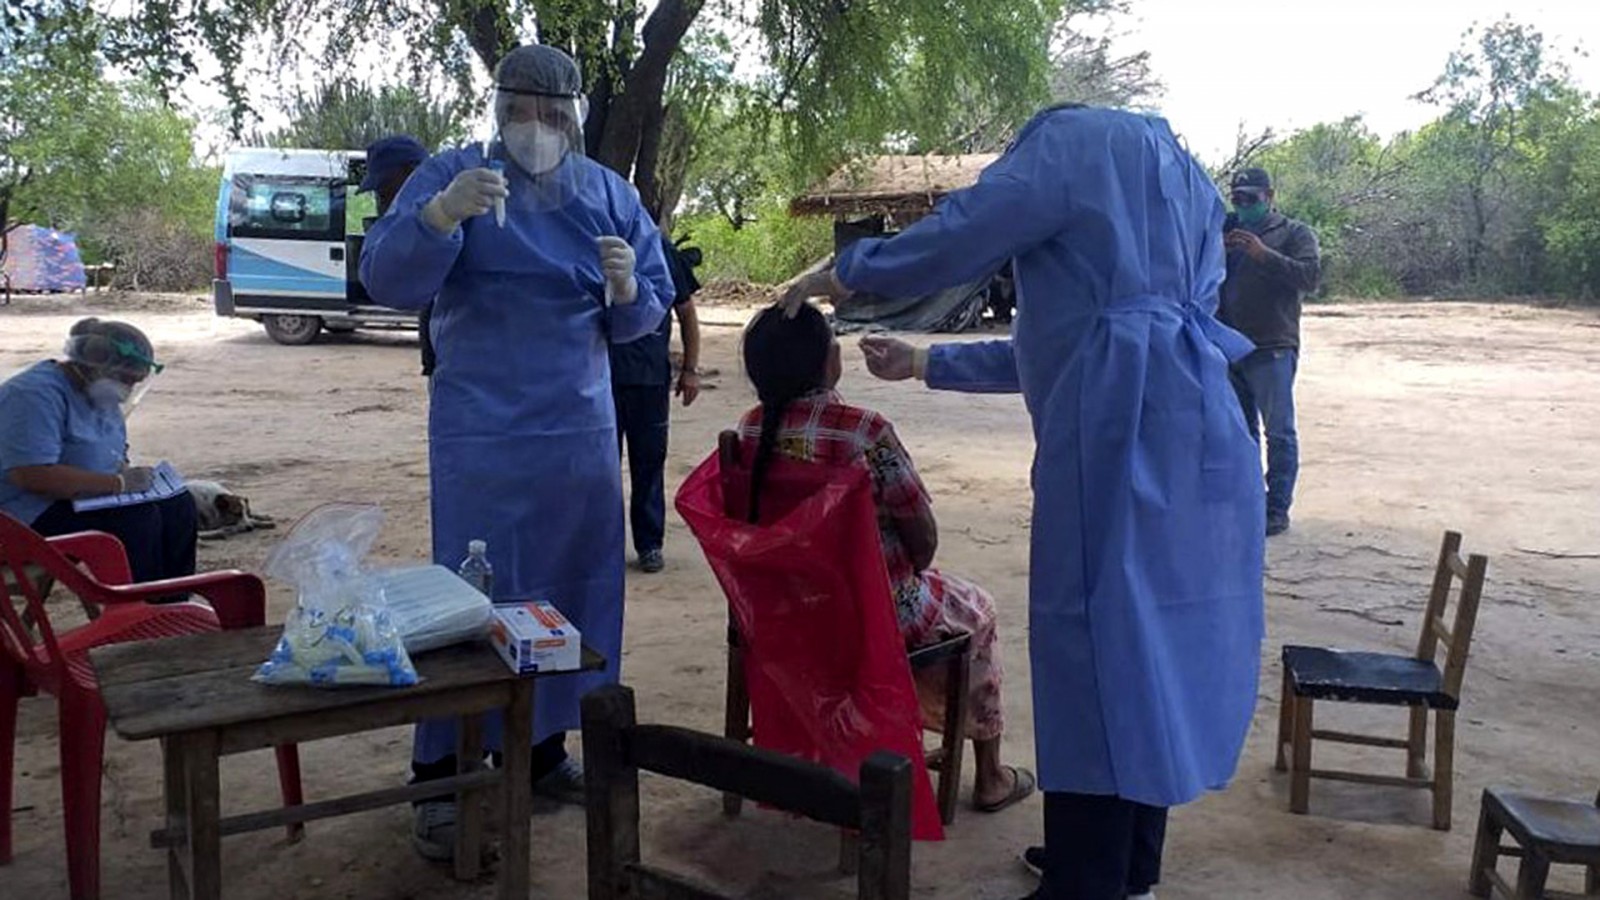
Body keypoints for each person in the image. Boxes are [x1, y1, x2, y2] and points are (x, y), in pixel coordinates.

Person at [783, 105, 1265, 900]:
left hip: (1117, 444)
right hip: (1203, 435)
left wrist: (852, 270)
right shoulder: (1183, 173)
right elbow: (1070, 340)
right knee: (1158, 657)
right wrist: (926, 364)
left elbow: (960, 235)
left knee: (1097, 656)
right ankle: (1124, 866)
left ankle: (1088, 876)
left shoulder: (1071, 146)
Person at [358, 44, 673, 862]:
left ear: (574, 115)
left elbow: (645, 317)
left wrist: (632, 290)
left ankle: (539, 754)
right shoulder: (453, 176)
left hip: (578, 439)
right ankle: (440, 781)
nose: (536, 125)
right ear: (497, 108)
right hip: (484, 439)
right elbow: (388, 280)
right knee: (470, 605)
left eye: (552, 110)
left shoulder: (609, 194)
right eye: (520, 107)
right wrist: (435, 220)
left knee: (574, 596)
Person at [739, 303, 1037, 813]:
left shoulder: (749, 431)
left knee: (926, 606)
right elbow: (922, 540)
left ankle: (869, 732)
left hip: (787, 613)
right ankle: (988, 776)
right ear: (828, 361)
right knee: (976, 610)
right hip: (874, 614)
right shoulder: (865, 430)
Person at [0, 318, 195, 584]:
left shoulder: (97, 394)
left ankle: (173, 601)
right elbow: (32, 475)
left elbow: (112, 450)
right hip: (21, 516)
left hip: (79, 500)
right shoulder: (33, 395)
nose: (127, 391)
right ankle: (140, 608)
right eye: (126, 380)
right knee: (136, 520)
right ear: (97, 366)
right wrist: (117, 484)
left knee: (178, 506)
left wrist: (128, 475)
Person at [1217, 167, 1321, 536]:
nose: (1243, 205)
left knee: (1279, 431)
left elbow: (1310, 277)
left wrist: (1262, 254)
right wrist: (1217, 250)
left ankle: (1277, 509)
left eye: (1251, 198)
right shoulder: (1223, 229)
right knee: (1240, 431)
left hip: (1273, 345)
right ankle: (1248, 501)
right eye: (1237, 197)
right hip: (1230, 347)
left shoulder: (1294, 233)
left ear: (1270, 196)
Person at [610, 235, 702, 573]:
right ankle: (603, 545)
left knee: (648, 464)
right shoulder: (586, 237)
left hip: (648, 379)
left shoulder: (657, 247)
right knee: (600, 469)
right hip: (595, 380)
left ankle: (649, 544)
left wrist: (690, 369)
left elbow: (686, 310)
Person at [356, 135, 433, 376]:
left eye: (386, 190)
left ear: (412, 173)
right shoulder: (419, 223)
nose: (385, 203)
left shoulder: (456, 215)